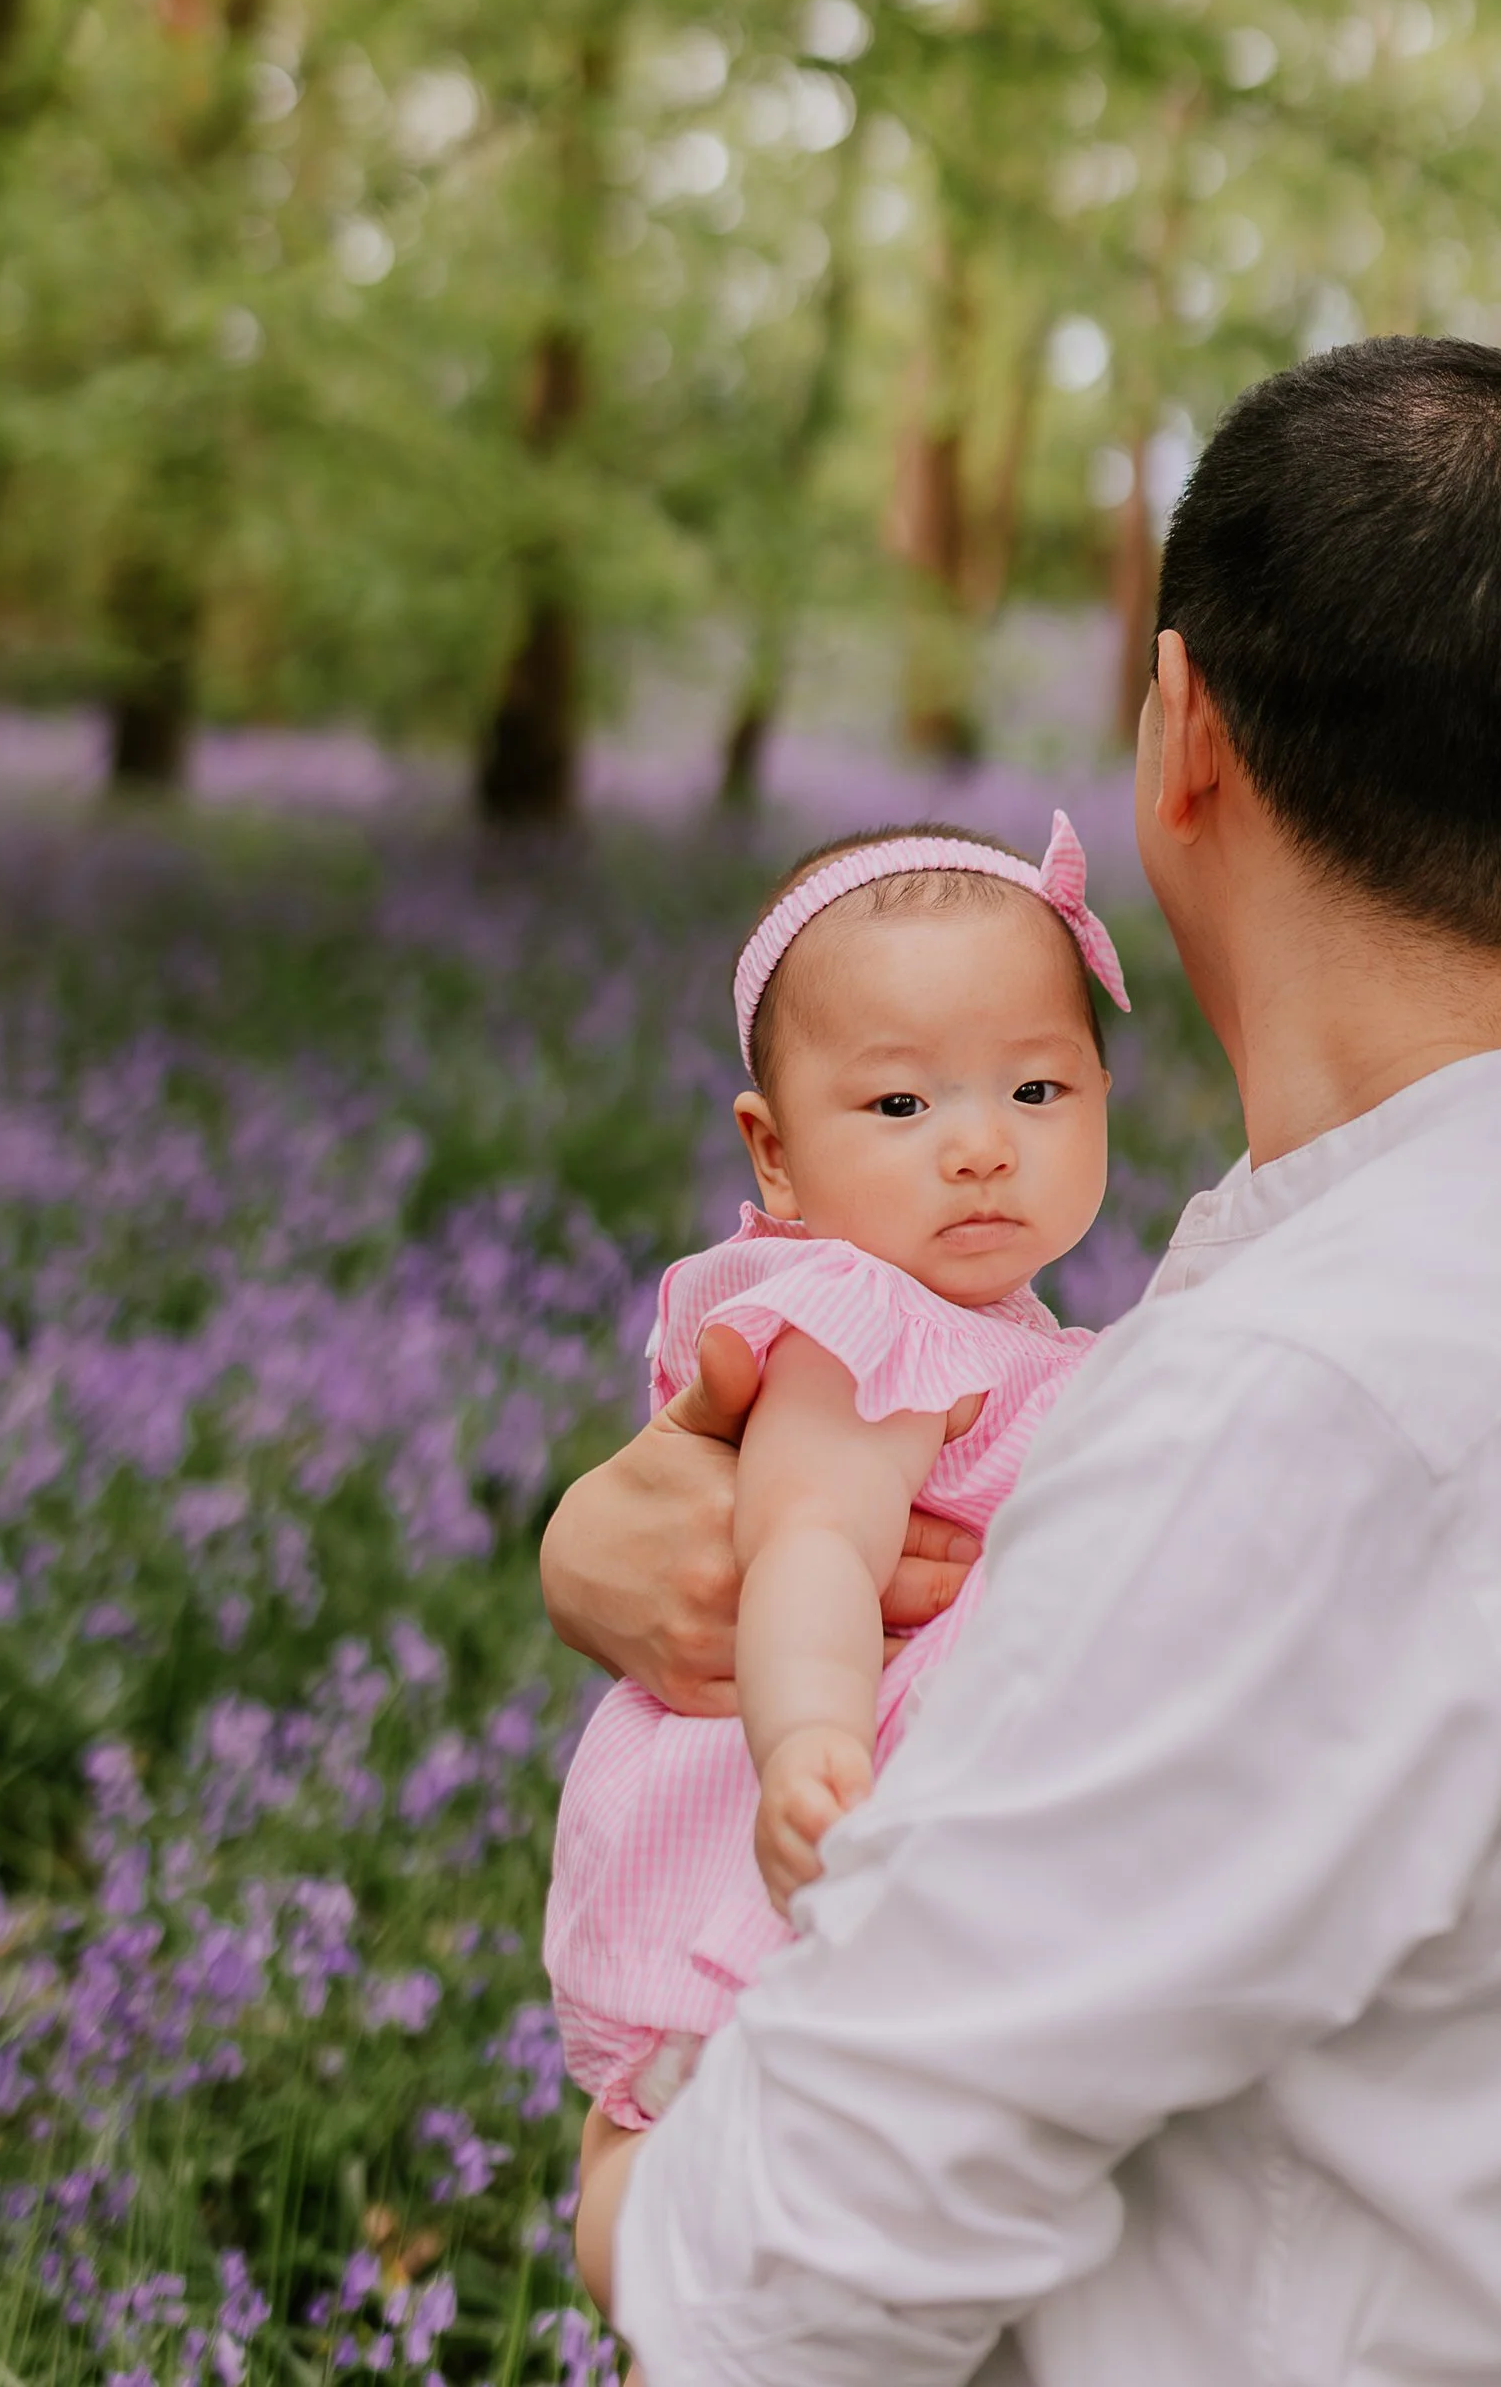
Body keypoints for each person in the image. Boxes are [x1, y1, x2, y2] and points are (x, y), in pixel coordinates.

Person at [540, 335, 1501, 2387]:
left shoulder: (1298, 1401)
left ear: (1175, 736)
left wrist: (626, 2192)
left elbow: (788, 2277)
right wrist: (642, 1541)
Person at [546, 813, 1127, 2308]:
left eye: (1037, 1085)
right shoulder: (865, 1322)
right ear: (774, 1151)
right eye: (897, 1101)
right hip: (780, 1867)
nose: (981, 1139)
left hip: (878, 1880)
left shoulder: (1025, 1345)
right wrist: (809, 1743)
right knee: (747, 2221)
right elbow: (809, 1539)